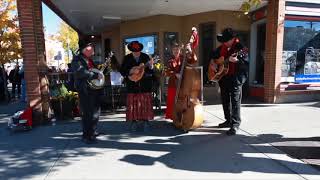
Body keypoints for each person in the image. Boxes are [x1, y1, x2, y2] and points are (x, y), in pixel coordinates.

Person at [210, 28, 249, 135]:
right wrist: (213, 63)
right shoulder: (222, 47)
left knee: (235, 101)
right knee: (225, 99)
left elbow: (245, 62)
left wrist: (237, 61)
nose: (224, 42)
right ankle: (228, 120)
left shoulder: (241, 48)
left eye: (226, 40)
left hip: (236, 77)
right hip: (224, 77)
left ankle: (235, 124)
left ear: (232, 39)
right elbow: (213, 56)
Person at [71, 40, 102, 144]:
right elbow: (81, 72)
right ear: (85, 49)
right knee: (88, 113)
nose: (93, 49)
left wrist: (100, 71)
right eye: (90, 48)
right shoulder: (77, 60)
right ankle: (87, 136)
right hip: (85, 90)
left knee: (95, 112)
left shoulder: (90, 60)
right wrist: (95, 75)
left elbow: (93, 70)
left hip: (93, 89)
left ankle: (92, 131)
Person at [120, 41, 154, 132]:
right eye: (135, 51)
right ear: (131, 50)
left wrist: (150, 67)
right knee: (133, 104)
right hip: (132, 85)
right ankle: (134, 122)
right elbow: (122, 71)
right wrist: (130, 73)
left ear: (140, 49)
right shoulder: (127, 58)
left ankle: (145, 121)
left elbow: (151, 72)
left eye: (138, 50)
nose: (136, 52)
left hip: (144, 85)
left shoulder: (146, 57)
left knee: (144, 103)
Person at [164, 42, 184, 120]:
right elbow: (167, 71)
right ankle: (173, 117)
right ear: (172, 51)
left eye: (177, 49)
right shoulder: (169, 60)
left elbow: (192, 61)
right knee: (172, 101)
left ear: (180, 50)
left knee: (181, 100)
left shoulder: (183, 58)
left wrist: (189, 50)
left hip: (183, 83)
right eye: (174, 49)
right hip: (173, 83)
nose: (176, 51)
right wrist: (175, 74)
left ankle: (182, 116)